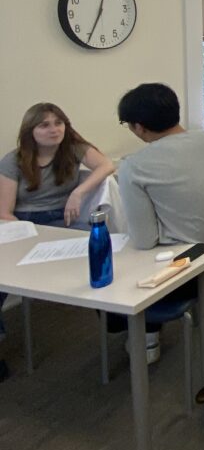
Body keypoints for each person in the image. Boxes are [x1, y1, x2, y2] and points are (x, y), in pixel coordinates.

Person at [115, 83, 204, 363]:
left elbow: (144, 239)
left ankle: (146, 339)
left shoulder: (133, 166)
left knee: (116, 273)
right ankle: (147, 333)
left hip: (187, 269)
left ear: (138, 127)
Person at [0, 103, 114, 341]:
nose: (54, 130)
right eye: (44, 125)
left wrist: (78, 192)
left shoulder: (73, 148)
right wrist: (29, 237)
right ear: (30, 130)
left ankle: (115, 317)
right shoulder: (13, 160)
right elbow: (5, 213)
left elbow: (106, 165)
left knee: (99, 246)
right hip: (23, 223)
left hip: (61, 218)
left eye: (58, 123)